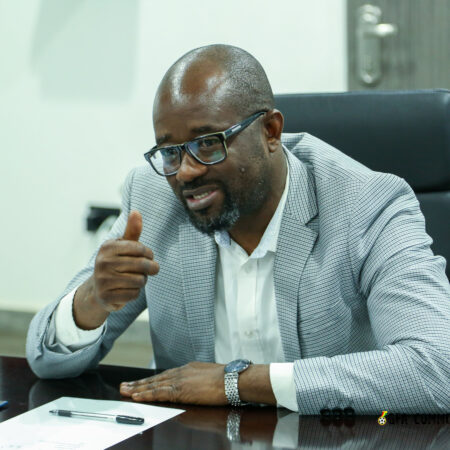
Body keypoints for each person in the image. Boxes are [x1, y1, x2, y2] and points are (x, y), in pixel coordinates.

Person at [26, 44, 450, 414]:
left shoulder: (368, 204)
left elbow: (438, 367)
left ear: (270, 131)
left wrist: (236, 383)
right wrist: (91, 302)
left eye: (208, 143)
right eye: (170, 151)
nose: (186, 171)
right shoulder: (154, 197)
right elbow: (44, 358)